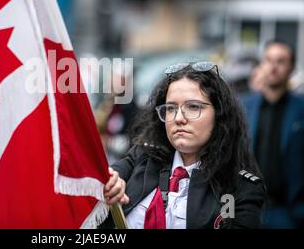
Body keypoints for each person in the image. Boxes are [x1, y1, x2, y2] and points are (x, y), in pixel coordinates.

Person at [100, 61, 265, 229]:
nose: (178, 118)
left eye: (193, 107)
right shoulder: (142, 157)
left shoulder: (241, 188)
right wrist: (111, 183)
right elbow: (113, 175)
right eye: (171, 108)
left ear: (219, 114)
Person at [241, 40, 304, 228]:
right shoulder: (244, 106)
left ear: (291, 67)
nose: (273, 67)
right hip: (248, 208)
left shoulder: (301, 109)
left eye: (281, 61)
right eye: (269, 60)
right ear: (262, 65)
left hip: (289, 212)